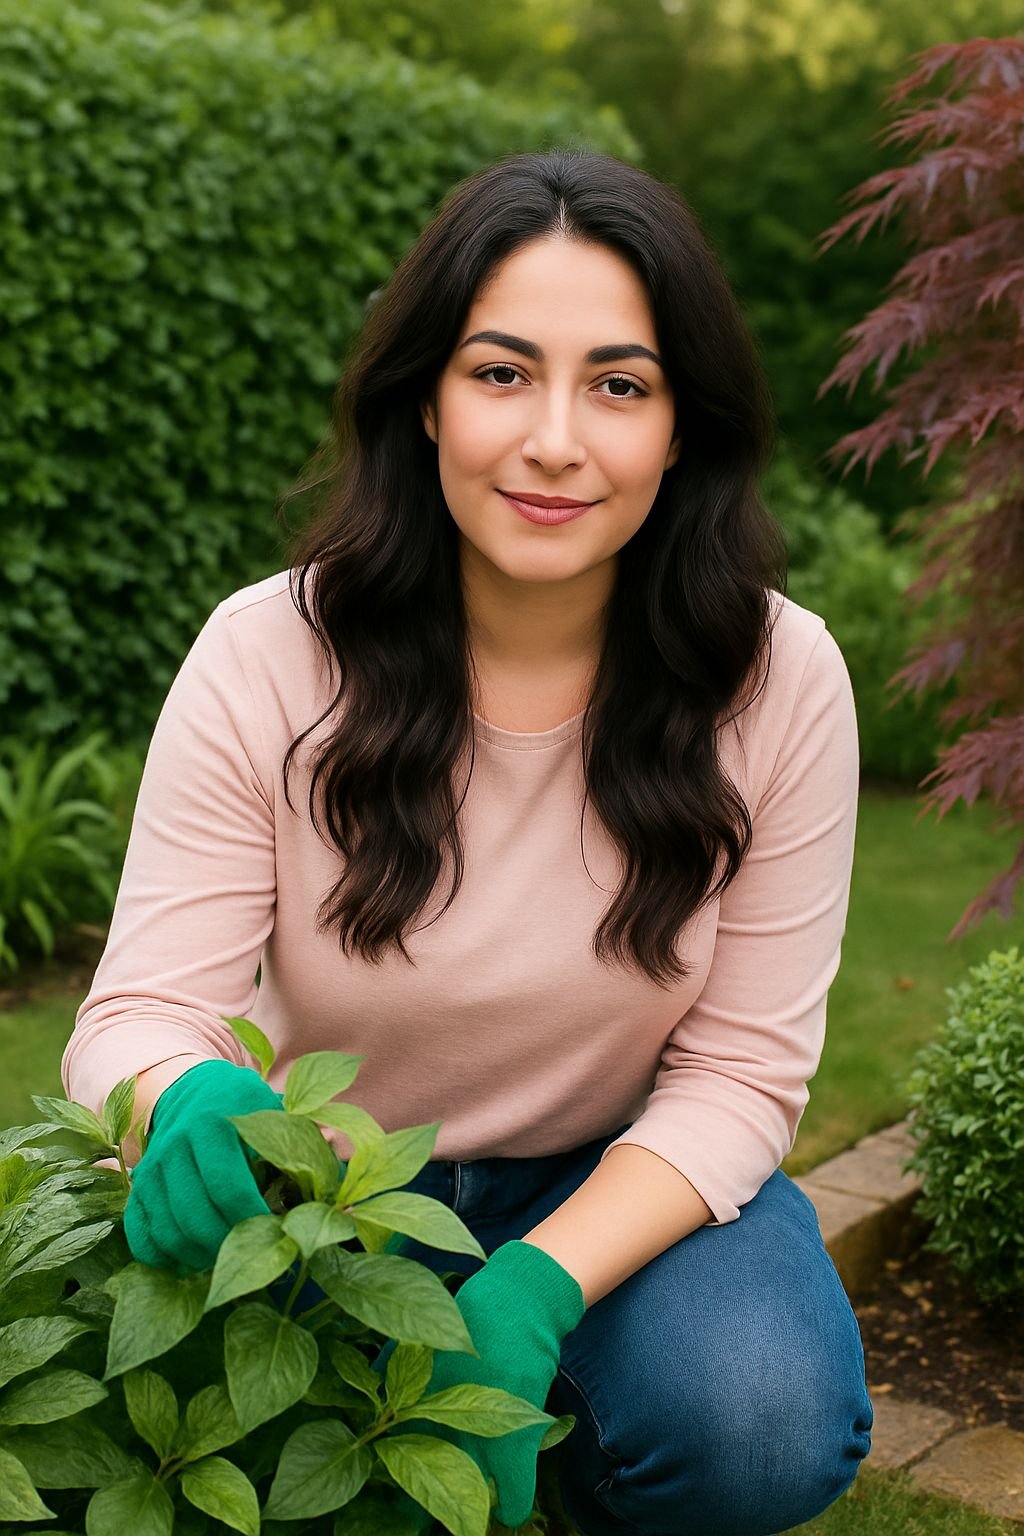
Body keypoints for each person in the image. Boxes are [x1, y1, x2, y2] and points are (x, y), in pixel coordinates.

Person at [64, 147, 873, 1535]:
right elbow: (139, 1008)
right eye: (501, 373)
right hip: (328, 1179)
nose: (554, 440)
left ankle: (570, 1437)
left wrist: (535, 1288)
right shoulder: (268, 653)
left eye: (619, 386)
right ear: (427, 402)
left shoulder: (779, 679)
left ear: (682, 429)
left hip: (608, 1175)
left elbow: (743, 1072)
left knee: (756, 1420)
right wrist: (179, 1097)